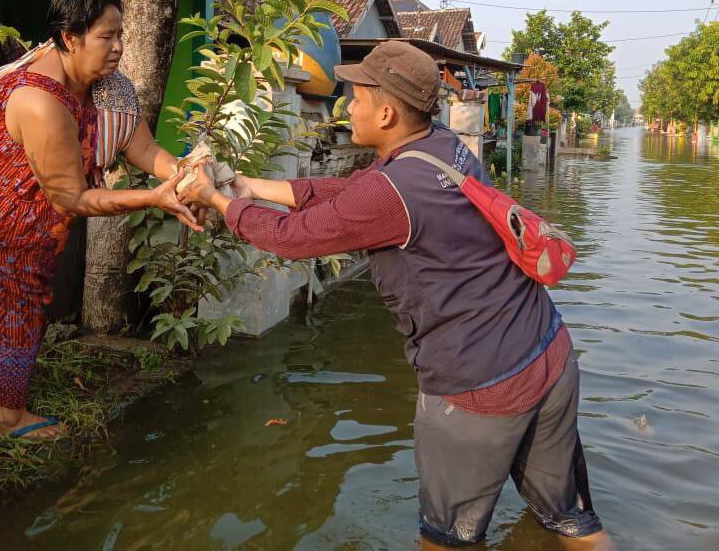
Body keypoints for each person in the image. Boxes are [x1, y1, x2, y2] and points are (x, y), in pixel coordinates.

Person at [180, 41, 612, 549]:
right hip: (547, 351)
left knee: (446, 540)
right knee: (571, 521)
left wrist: (215, 200)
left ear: (385, 113)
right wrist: (250, 186)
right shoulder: (441, 147)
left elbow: (292, 239)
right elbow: (345, 195)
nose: (347, 107)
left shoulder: (394, 189)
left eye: (356, 97)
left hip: (480, 383)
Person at [0, 0, 200, 441]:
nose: (119, 47)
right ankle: (9, 417)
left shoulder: (110, 86)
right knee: (13, 292)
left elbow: (141, 146)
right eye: (107, 37)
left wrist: (184, 172)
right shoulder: (41, 101)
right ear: (70, 38)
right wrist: (154, 197)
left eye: (120, 34)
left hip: (9, 185)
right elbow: (72, 198)